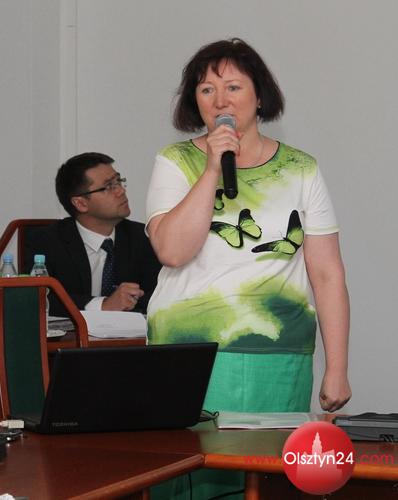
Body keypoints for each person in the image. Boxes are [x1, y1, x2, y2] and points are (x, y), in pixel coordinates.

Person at [146, 38, 350, 415]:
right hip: (188, 346)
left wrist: (337, 369)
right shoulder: (175, 161)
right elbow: (172, 251)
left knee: (273, 454)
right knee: (191, 453)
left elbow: (327, 273)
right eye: (207, 89)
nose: (220, 100)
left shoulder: (300, 168)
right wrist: (212, 168)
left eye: (233, 87)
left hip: (279, 349)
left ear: (259, 97)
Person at [24, 152, 161, 317]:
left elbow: (160, 294)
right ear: (81, 203)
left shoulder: (144, 237)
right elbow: (38, 298)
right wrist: (102, 305)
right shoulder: (46, 241)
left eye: (119, 181)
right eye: (109, 186)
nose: (121, 191)